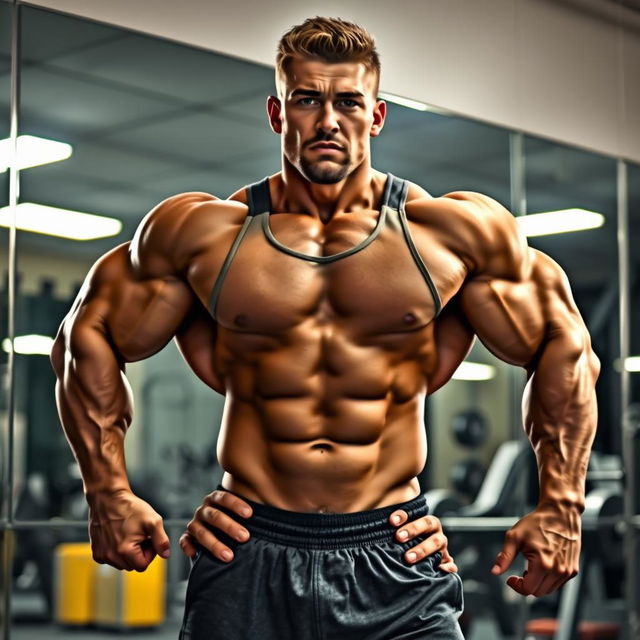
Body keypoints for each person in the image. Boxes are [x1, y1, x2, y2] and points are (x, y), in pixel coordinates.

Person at [51, 15, 600, 640]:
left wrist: (561, 506)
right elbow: (83, 336)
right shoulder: (201, 235)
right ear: (277, 112)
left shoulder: (451, 234)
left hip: (395, 549)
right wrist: (108, 494)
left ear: (378, 115)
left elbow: (567, 346)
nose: (328, 120)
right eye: (306, 99)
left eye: (348, 101)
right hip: (246, 545)